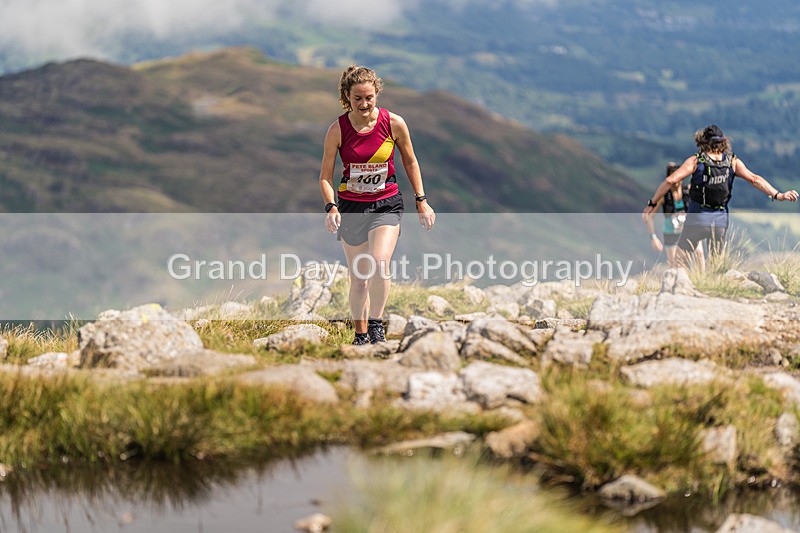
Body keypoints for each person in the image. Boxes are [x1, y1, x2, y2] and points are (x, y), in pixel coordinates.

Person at [319, 65, 435, 345]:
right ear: (347, 96)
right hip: (351, 208)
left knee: (380, 264)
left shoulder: (394, 123)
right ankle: (360, 335)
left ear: (377, 94)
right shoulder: (337, 130)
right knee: (359, 279)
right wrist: (331, 206)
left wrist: (421, 200)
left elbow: (410, 161)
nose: (364, 104)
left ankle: (376, 325)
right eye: (357, 98)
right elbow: (325, 176)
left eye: (369, 97)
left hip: (386, 204)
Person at [642, 124, 798, 270]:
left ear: (703, 142)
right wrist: (778, 195)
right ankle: (714, 290)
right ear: (723, 143)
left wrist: (652, 202)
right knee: (717, 265)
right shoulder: (732, 161)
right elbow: (754, 179)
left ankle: (679, 292)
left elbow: (671, 180)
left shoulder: (697, 161)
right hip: (720, 220)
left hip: (697, 219)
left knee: (679, 264)